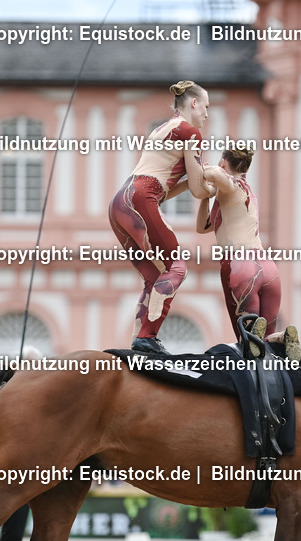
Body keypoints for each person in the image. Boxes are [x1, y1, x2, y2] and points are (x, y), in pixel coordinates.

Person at [109, 80, 212, 355]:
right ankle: (147, 338)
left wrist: (197, 178)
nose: (206, 114)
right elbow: (199, 189)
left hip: (120, 200)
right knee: (177, 268)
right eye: (205, 106)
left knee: (154, 277)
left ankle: (138, 340)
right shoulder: (190, 133)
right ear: (193, 103)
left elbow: (171, 184)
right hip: (143, 196)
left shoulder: (161, 129)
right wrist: (214, 183)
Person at [195, 147, 300, 359]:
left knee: (247, 345)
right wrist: (207, 195)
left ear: (224, 163)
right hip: (268, 269)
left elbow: (217, 175)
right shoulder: (246, 192)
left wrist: (202, 171)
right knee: (263, 342)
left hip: (240, 267)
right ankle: (283, 337)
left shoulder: (231, 185)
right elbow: (202, 227)